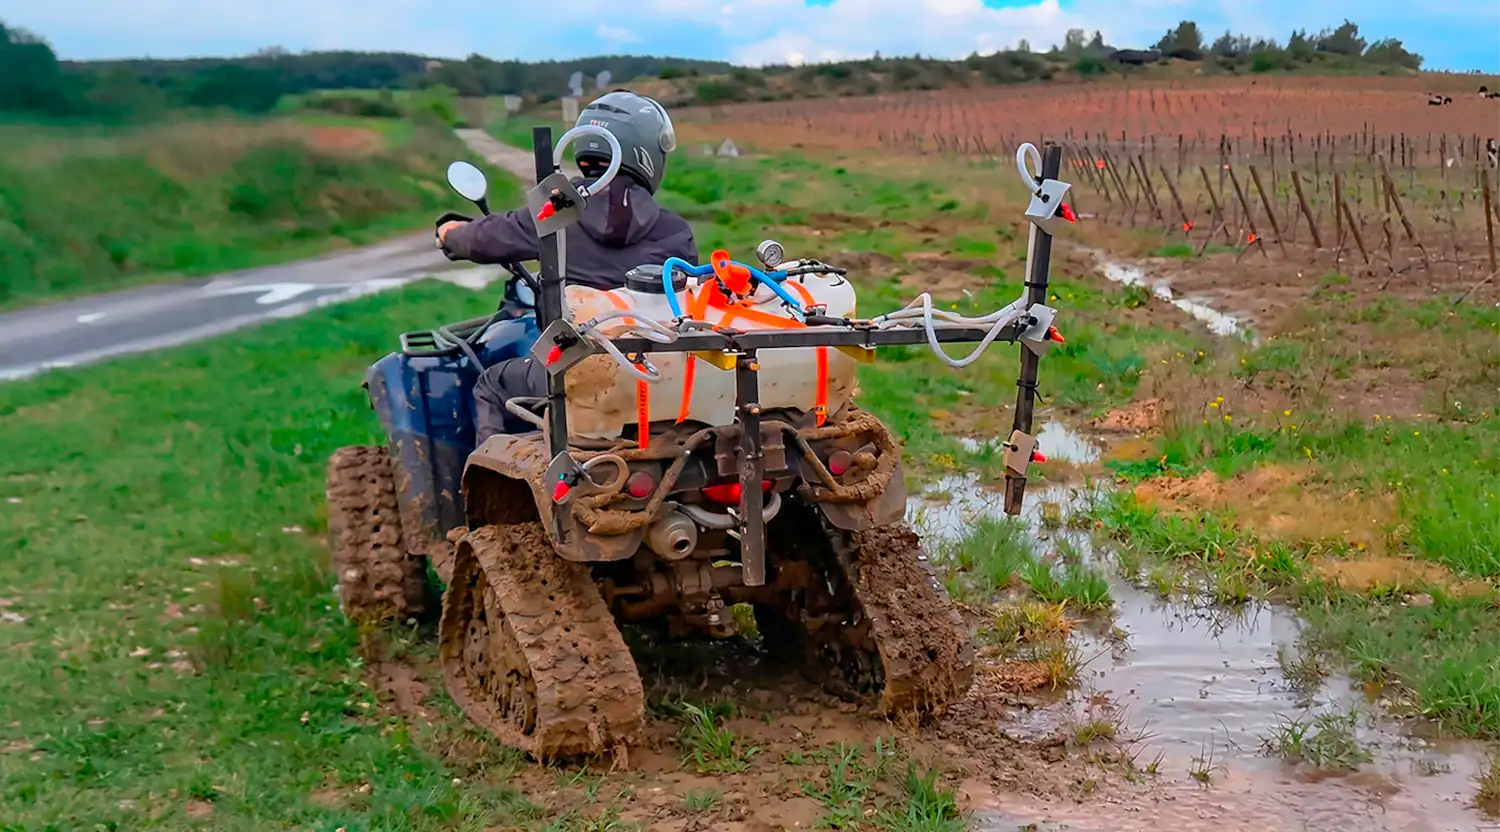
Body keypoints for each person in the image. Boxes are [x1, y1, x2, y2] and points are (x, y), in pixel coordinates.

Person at [435, 90, 699, 441]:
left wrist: (451, 234)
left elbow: (488, 236)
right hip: (654, 366)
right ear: (647, 153)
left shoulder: (557, 207)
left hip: (570, 358)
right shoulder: (675, 229)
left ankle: (487, 487)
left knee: (491, 384)